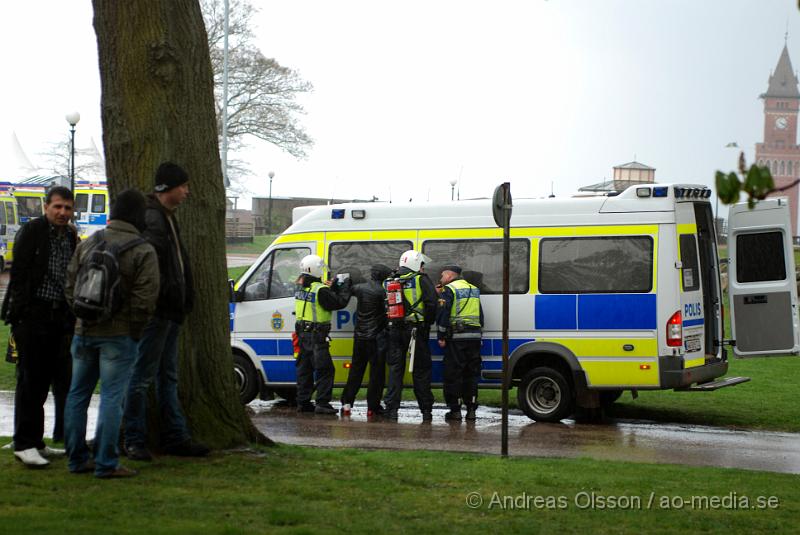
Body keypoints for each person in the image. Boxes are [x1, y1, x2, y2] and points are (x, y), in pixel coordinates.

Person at [64, 189, 160, 478]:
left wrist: (81, 316)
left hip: (84, 330)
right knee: (110, 398)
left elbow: (70, 284)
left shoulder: (88, 243)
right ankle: (106, 463)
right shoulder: (142, 250)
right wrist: (134, 330)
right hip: (119, 336)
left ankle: (76, 459)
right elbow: (146, 298)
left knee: (77, 395)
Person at [123, 162, 209, 461]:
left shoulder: (166, 218)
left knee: (166, 376)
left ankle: (174, 436)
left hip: (171, 312)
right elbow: (151, 267)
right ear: (167, 188)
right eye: (183, 186)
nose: (187, 191)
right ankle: (134, 438)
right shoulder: (154, 219)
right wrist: (162, 300)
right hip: (158, 313)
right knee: (143, 376)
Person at [1, 186, 77, 467]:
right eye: (57, 207)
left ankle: (37, 440)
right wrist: (19, 314)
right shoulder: (33, 231)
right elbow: (19, 273)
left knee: (53, 381)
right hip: (33, 316)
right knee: (31, 382)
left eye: (67, 208)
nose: (62, 212)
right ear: (47, 207)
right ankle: (24, 443)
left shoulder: (70, 236)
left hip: (60, 317)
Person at [383, 250, 437, 421]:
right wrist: (427, 323)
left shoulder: (390, 281)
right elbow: (432, 303)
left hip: (395, 329)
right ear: (416, 264)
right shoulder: (421, 279)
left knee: (395, 370)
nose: (422, 268)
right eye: (421, 265)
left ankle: (391, 410)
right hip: (417, 331)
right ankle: (426, 410)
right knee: (421, 371)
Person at [294, 254, 351, 414]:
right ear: (316, 270)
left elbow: (321, 299)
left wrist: (330, 288)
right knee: (325, 370)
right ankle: (322, 403)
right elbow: (338, 302)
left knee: (305, 370)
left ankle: (303, 402)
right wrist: (345, 286)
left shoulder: (301, 286)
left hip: (303, 334)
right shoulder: (320, 290)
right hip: (316, 336)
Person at [340, 264, 392, 417]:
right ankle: (372, 407)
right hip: (376, 339)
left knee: (355, 371)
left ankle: (346, 404)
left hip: (360, 337)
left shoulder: (360, 288)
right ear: (383, 276)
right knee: (376, 374)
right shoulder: (383, 292)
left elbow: (345, 292)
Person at [436, 265, 484, 421]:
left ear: (450, 276)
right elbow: (480, 315)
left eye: (442, 276)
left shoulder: (449, 289)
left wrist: (441, 335)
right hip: (474, 338)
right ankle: (471, 410)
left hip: (457, 338)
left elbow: (443, 314)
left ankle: (455, 411)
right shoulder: (473, 288)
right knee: (471, 375)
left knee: (454, 374)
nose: (441, 279)